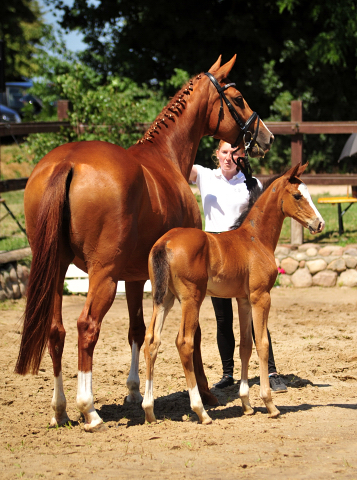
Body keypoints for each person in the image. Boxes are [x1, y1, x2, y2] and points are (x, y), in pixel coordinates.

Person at [189, 140, 287, 392]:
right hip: (214, 256)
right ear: (216, 154)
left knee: (257, 314)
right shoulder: (205, 175)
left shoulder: (252, 183)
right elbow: (178, 164)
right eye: (224, 152)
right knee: (223, 319)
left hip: (245, 255)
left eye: (235, 152)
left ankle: (272, 370)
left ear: (242, 156)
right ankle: (227, 373)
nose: (228, 157)